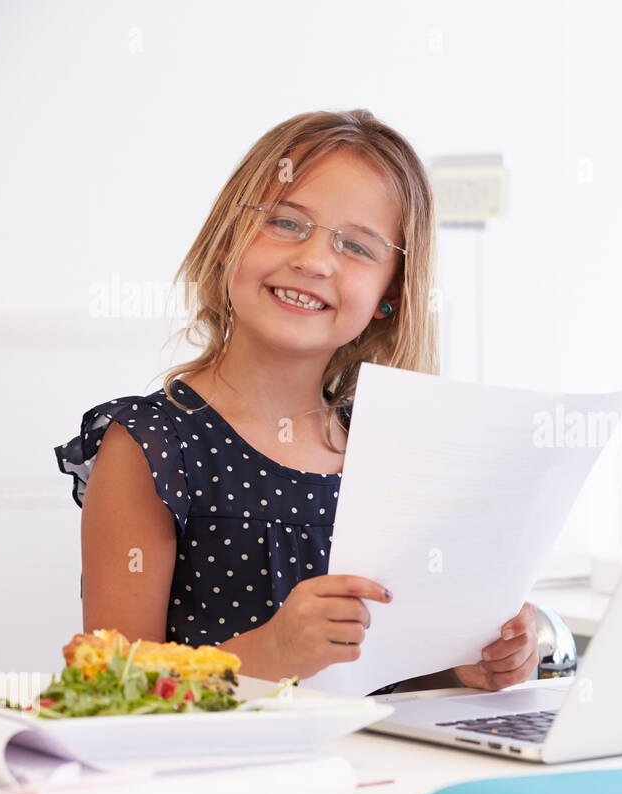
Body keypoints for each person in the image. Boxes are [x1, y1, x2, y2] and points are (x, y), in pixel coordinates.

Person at [54, 109, 539, 695]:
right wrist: (270, 652)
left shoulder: (394, 452)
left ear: (390, 294)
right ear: (230, 237)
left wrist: (469, 661)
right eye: (286, 223)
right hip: (221, 779)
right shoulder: (151, 446)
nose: (314, 259)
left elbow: (390, 666)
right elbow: (111, 691)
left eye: (357, 246)